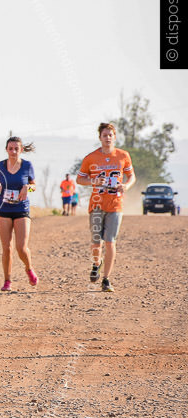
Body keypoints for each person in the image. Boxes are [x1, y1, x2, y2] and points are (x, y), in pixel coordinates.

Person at [77, 122, 135, 292]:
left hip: (115, 205)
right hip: (96, 205)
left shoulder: (123, 156)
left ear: (114, 137)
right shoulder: (91, 158)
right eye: (104, 135)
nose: (108, 138)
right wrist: (93, 181)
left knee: (110, 242)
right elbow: (80, 179)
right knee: (96, 242)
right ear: (100, 138)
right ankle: (97, 263)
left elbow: (131, 176)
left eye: (110, 135)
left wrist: (126, 186)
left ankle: (106, 279)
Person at [0, 136, 38, 291]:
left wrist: (27, 188)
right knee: (7, 248)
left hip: (21, 209)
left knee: (21, 247)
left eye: (16, 148)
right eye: (10, 148)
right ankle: (7, 281)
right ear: (6, 149)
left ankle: (29, 268)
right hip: (3, 210)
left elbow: (34, 186)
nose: (13, 151)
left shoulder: (27, 166)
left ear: (21, 150)